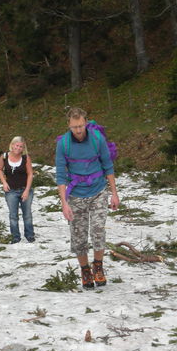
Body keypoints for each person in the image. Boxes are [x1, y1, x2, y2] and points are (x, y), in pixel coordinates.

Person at [56, 107, 119, 288]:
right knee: (78, 236)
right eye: (74, 127)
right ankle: (85, 270)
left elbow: (108, 166)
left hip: (98, 191)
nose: (78, 130)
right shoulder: (63, 144)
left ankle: (98, 266)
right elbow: (61, 175)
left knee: (98, 230)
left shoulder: (97, 139)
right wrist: (64, 203)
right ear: (68, 125)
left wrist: (114, 194)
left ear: (86, 123)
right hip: (75, 195)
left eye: (81, 126)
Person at [0, 136, 35, 244]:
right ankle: (15, 237)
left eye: (21, 147)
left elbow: (30, 174)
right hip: (11, 191)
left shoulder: (25, 158)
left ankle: (30, 235)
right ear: (12, 145)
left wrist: (27, 190)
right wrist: (4, 182)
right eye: (16, 145)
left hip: (24, 189)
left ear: (23, 148)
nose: (18, 148)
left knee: (27, 214)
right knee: (13, 215)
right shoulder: (4, 156)